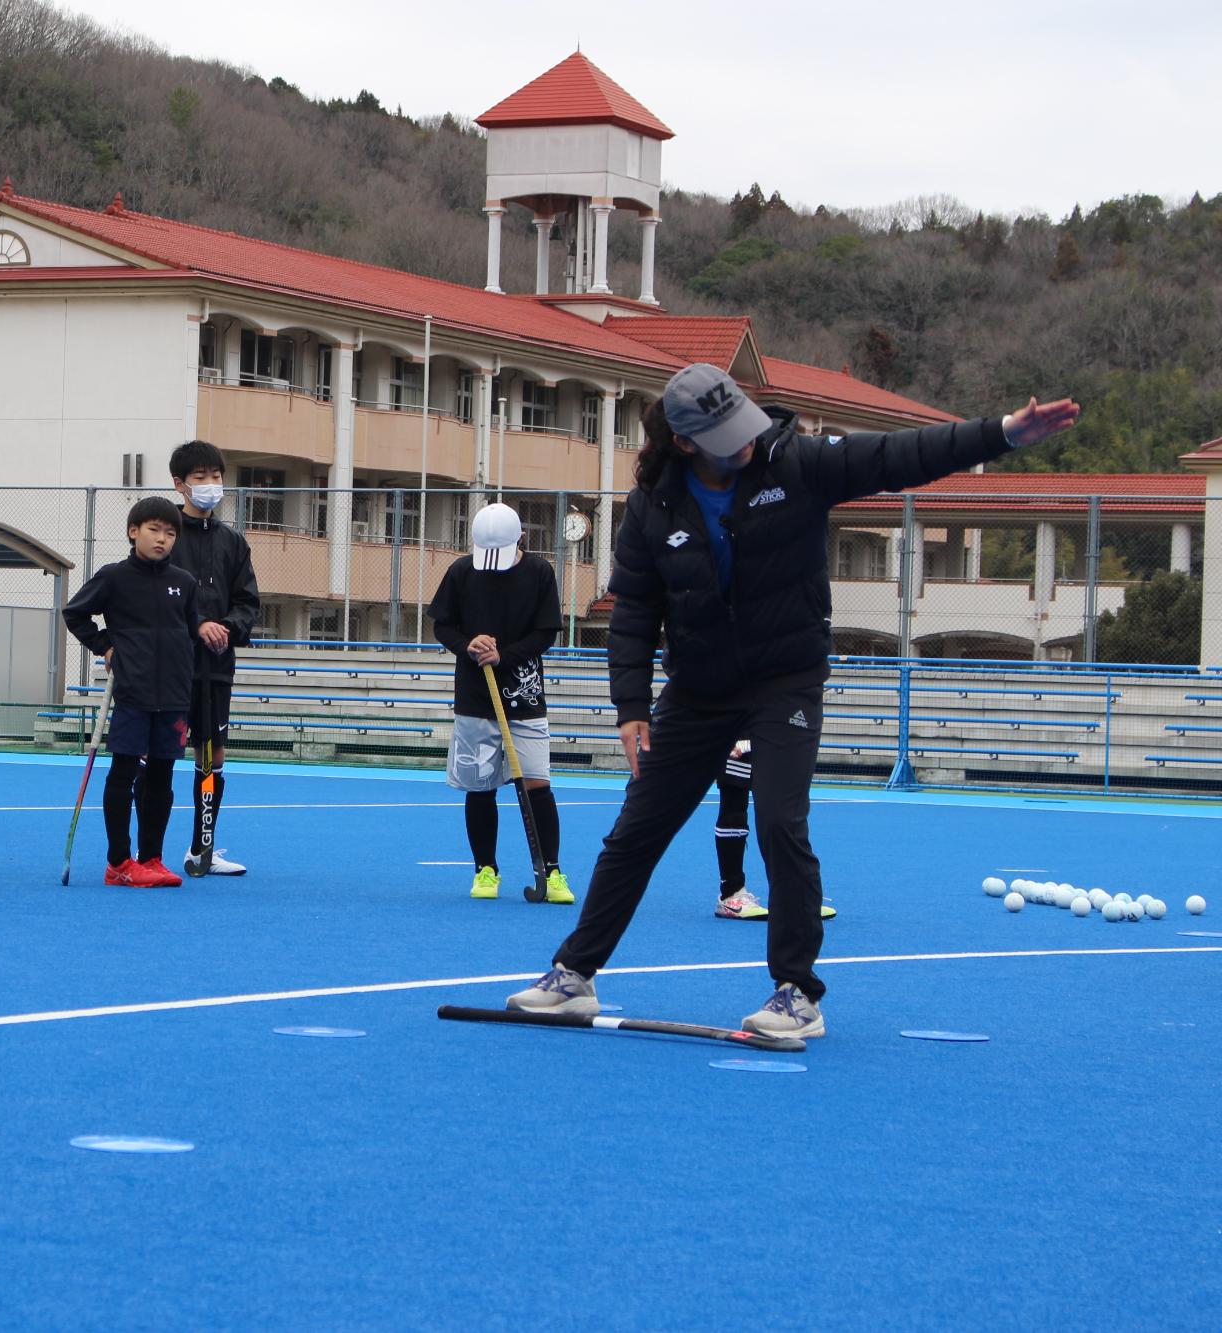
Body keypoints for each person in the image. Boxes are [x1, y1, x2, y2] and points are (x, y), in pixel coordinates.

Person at [507, 364, 1080, 1038]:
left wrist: (1003, 434)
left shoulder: (798, 464)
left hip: (785, 679)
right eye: (725, 434)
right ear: (686, 443)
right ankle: (575, 975)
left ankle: (796, 993)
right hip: (697, 690)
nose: (745, 441)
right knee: (637, 831)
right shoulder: (654, 508)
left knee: (780, 822)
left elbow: (903, 454)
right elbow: (635, 609)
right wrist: (632, 704)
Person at [426, 502, 570, 904]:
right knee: (481, 786)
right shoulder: (460, 572)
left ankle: (553, 871)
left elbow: (546, 633)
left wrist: (503, 656)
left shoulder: (540, 573)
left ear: (520, 539)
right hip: (475, 698)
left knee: (538, 783)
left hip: (524, 696)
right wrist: (467, 645)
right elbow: (443, 625)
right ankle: (485, 868)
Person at [63, 496, 197, 888]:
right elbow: (75, 613)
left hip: (173, 695)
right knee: (123, 774)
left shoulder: (183, 583)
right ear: (133, 531)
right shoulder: (114, 577)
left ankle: (151, 857)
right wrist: (105, 645)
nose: (162, 539)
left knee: (162, 777)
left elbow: (190, 632)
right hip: (133, 693)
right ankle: (119, 861)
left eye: (170, 533)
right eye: (154, 530)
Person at [165, 439, 260, 877]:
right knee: (160, 754)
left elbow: (248, 601)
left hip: (216, 667)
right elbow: (155, 599)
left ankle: (202, 848)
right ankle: (145, 851)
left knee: (212, 756)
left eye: (216, 476)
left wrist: (227, 628)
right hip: (168, 666)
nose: (210, 485)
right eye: (201, 477)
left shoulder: (233, 542)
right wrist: (197, 624)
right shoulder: (165, 535)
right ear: (180, 484)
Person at [712, 739, 837, 921]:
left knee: (782, 812)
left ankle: (793, 898)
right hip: (736, 730)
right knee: (733, 809)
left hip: (773, 738)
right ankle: (731, 894)